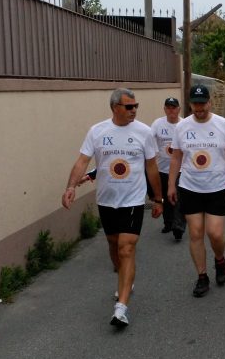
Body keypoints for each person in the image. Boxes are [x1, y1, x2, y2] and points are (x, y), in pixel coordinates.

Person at [61, 88, 163, 328]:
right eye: (129, 107)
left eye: (136, 106)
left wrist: (157, 199)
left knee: (126, 248)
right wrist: (71, 187)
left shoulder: (144, 132)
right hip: (107, 200)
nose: (134, 111)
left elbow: (151, 168)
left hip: (133, 200)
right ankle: (124, 279)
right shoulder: (97, 131)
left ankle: (121, 308)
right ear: (114, 107)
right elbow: (82, 161)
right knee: (114, 245)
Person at [167, 85, 225, 298]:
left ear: (209, 102)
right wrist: (171, 185)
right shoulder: (182, 127)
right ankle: (202, 276)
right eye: (195, 104)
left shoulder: (222, 124)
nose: (199, 108)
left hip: (217, 187)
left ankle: (220, 259)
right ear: (190, 104)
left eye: (202, 103)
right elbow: (176, 157)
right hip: (190, 187)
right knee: (196, 233)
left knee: (215, 234)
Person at [151, 97, 186, 242]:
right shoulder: (157, 124)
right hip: (162, 169)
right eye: (168, 108)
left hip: (181, 169)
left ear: (178, 109)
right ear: (165, 109)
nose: (171, 110)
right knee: (165, 198)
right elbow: (149, 142)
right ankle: (168, 223)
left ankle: (178, 227)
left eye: (174, 107)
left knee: (178, 198)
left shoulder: (184, 124)